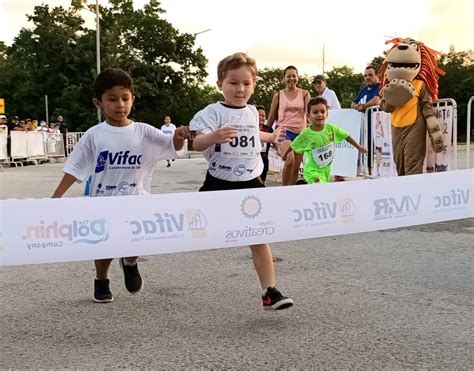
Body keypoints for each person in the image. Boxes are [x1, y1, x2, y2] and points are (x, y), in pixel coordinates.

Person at [51, 68, 192, 303]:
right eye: (112, 99)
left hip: (136, 199)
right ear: (99, 102)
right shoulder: (94, 135)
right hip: (103, 201)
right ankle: (102, 279)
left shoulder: (143, 131)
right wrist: (56, 197)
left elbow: (172, 147)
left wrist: (178, 135)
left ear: (133, 99)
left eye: (125, 98)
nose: (120, 105)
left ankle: (129, 261)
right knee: (104, 245)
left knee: (137, 238)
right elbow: (74, 167)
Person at [190, 52, 293, 311]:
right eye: (233, 83)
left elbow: (252, 134)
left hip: (250, 181)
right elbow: (196, 142)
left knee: (259, 236)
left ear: (254, 85)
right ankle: (135, 257)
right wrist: (213, 137)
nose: (240, 89)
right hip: (219, 181)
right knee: (194, 230)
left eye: (246, 83)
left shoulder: (250, 112)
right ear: (219, 84)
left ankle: (270, 291)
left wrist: (270, 139)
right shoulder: (212, 112)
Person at [282, 97, 367, 184]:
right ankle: (289, 191)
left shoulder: (332, 129)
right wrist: (285, 155)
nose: (319, 115)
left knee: (322, 191)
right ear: (308, 116)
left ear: (327, 114)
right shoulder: (306, 134)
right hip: (312, 172)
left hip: (325, 171)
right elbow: (293, 144)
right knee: (296, 170)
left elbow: (346, 136)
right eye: (315, 112)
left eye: (322, 112)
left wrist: (359, 147)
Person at [266, 65, 310, 186]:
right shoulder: (278, 95)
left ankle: (291, 191)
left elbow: (308, 113)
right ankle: (284, 189)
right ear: (284, 79)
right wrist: (265, 134)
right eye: (288, 76)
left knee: (296, 166)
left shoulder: (305, 94)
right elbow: (271, 117)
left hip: (301, 133)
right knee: (290, 160)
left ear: (298, 78)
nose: (291, 79)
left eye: (294, 76)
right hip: (284, 131)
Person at [256, 105, 280, 184]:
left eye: (263, 116)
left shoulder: (268, 129)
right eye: (258, 115)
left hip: (264, 159)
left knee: (263, 179)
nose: (261, 117)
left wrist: (278, 150)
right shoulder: (251, 128)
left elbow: (274, 141)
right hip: (254, 158)